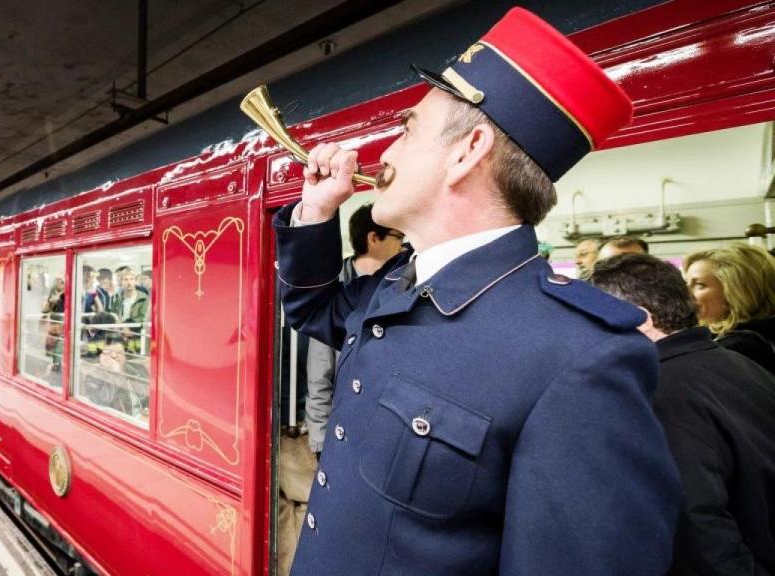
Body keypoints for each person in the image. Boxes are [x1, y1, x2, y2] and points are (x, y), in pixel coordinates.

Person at [273, 8, 678, 575]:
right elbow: (313, 309)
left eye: (407, 130)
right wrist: (314, 212)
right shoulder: (399, 283)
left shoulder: (583, 359)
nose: (384, 155)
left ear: (467, 152)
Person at [589, 253, 775, 575]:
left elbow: (695, 524)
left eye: (594, 317)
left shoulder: (659, 392)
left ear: (641, 318)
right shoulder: (740, 365)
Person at [276, 204, 403, 575]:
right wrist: (319, 438)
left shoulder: (369, 283)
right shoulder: (345, 288)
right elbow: (319, 373)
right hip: (311, 429)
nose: (404, 246)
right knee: (301, 510)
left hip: (326, 428)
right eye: (398, 237)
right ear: (374, 237)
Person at [683, 244, 775, 375]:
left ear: (739, 292)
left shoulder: (737, 349)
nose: (683, 293)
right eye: (686, 283)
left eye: (699, 285)